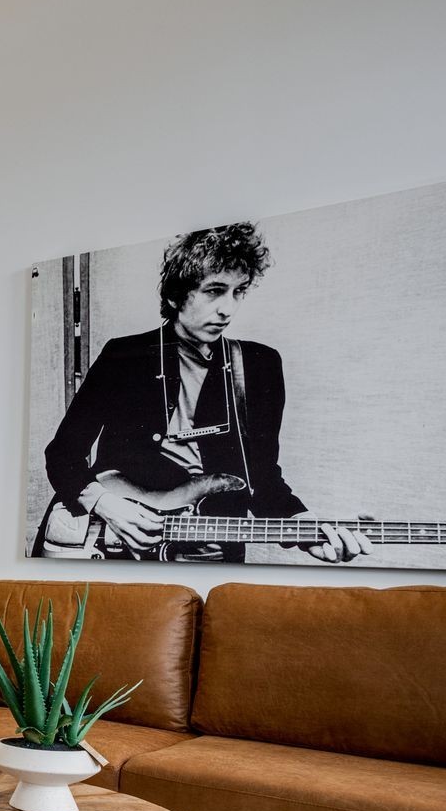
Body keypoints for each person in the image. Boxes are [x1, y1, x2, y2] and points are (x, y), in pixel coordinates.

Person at [38, 223, 371, 563]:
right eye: (214, 290)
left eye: (238, 291)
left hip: (215, 554)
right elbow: (62, 455)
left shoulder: (260, 365)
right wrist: (106, 505)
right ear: (175, 295)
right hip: (117, 549)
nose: (228, 308)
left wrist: (306, 530)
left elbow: (263, 479)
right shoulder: (125, 357)